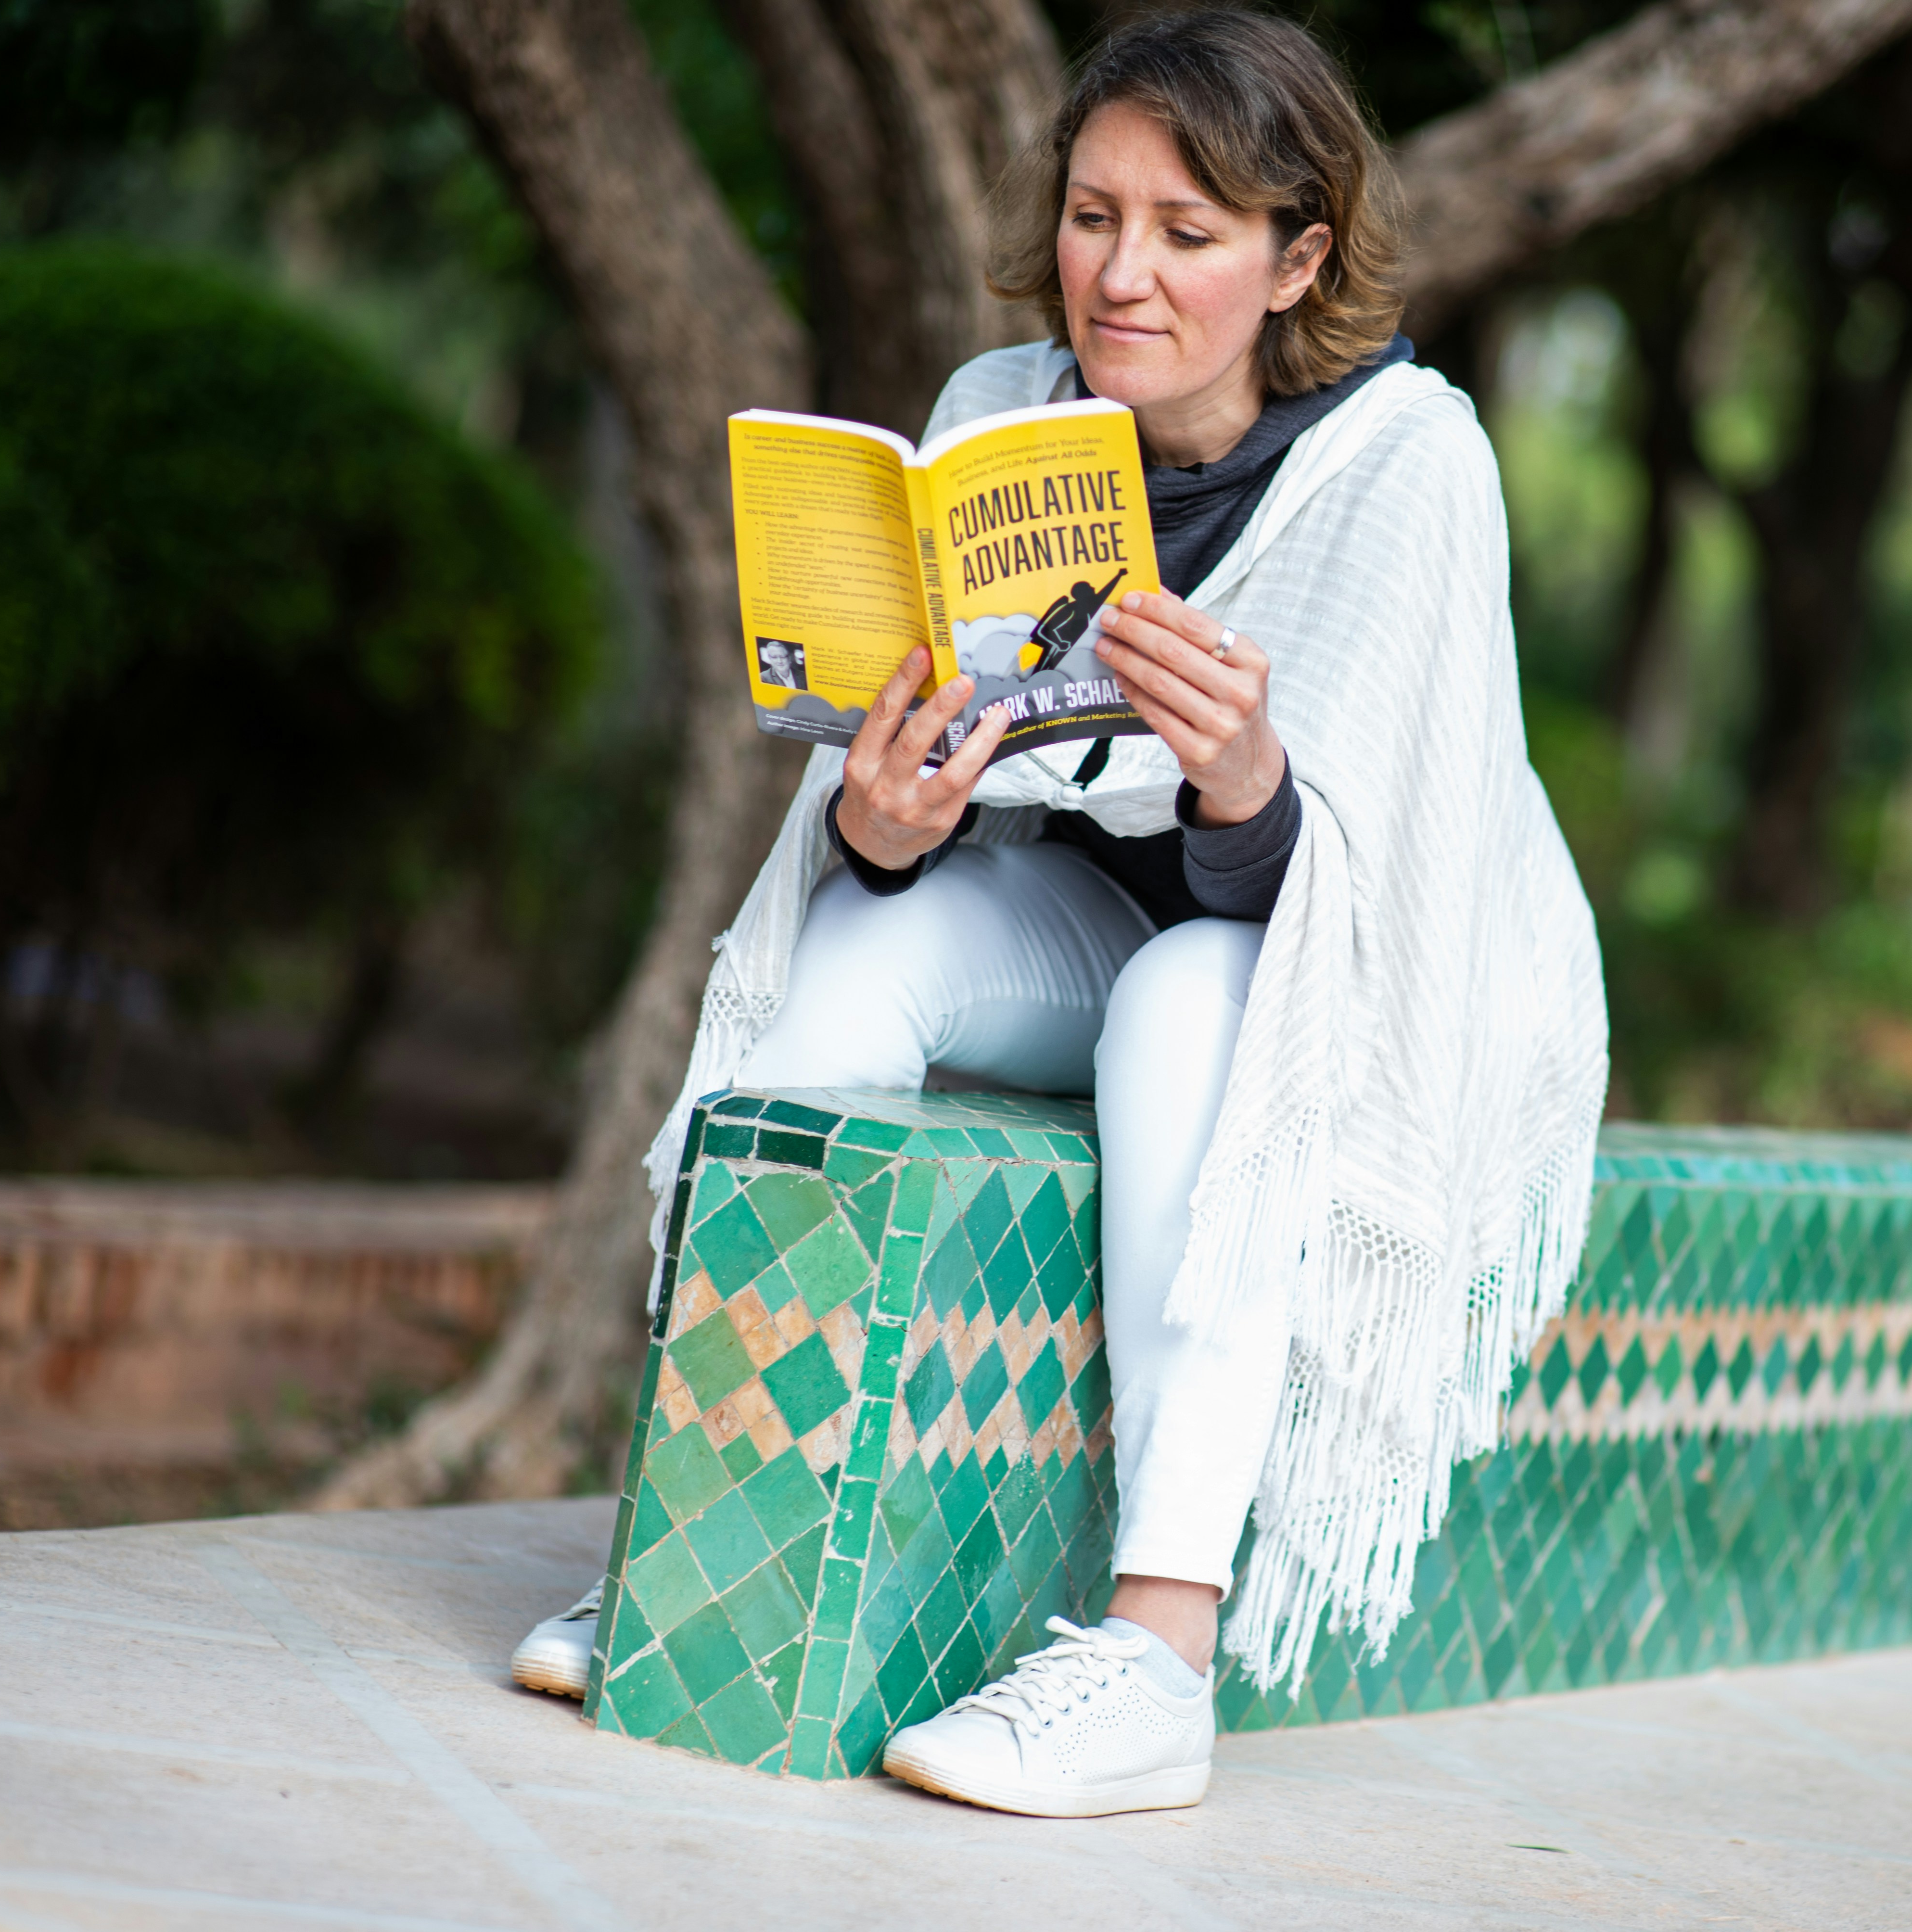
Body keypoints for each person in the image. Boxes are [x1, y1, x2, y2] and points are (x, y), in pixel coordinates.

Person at [511, 7, 1606, 1818]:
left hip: (1306, 969)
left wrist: (1248, 774)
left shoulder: (1406, 463)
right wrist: (882, 820)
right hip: (1071, 915)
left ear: (1296, 257)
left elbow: (1372, 897)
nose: (1125, 273)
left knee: (1187, 992)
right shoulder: (997, 415)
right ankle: (718, 1536)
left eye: (1190, 232)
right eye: (1097, 216)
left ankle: (1156, 1664)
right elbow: (922, 832)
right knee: (869, 942)